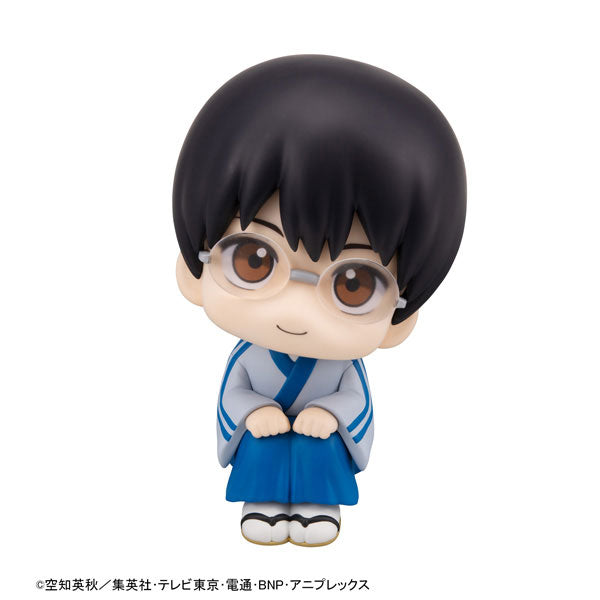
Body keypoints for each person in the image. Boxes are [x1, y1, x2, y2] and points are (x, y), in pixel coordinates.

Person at [173, 55, 466, 546]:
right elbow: (233, 395)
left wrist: (331, 414)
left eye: (354, 285)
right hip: (261, 439)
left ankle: (318, 506)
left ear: (399, 319)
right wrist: (251, 412)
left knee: (322, 446)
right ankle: (262, 503)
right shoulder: (249, 359)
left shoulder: (344, 369)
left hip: (323, 441)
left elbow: (355, 402)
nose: (296, 308)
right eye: (254, 261)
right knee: (260, 446)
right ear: (193, 271)